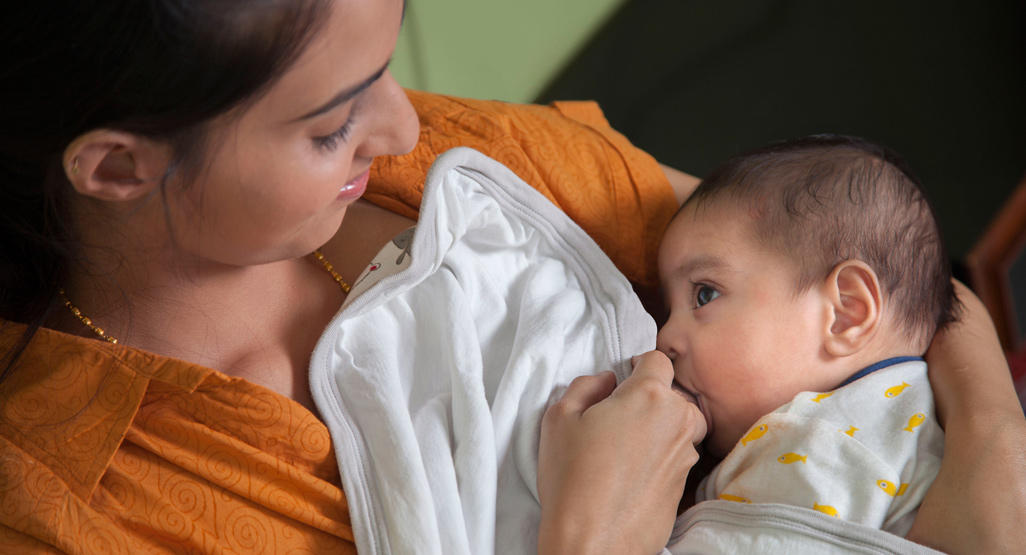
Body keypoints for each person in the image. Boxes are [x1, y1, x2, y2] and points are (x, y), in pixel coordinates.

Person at [0, 1, 1020, 554]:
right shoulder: (67, 510)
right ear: (117, 166)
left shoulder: (456, 166)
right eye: (330, 127)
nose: (406, 130)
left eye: (385, 67)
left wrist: (991, 436)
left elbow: (879, 261)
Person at [655, 135, 949, 550]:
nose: (664, 336)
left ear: (846, 312)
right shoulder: (898, 421)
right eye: (669, 310)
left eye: (704, 294)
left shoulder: (819, 446)